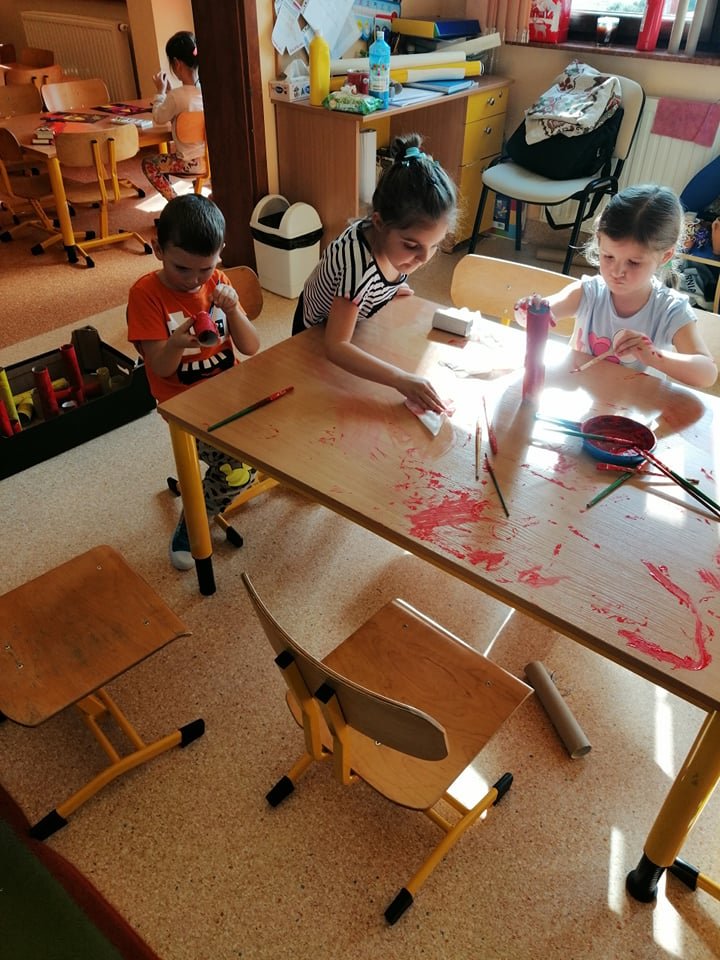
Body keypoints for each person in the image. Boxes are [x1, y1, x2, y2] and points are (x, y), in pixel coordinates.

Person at [127, 194, 260, 571]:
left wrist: (233, 310)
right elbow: (160, 368)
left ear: (220, 253)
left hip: (230, 394)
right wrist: (175, 343)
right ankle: (193, 524)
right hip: (184, 408)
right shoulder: (145, 295)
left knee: (283, 429)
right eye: (181, 268)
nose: (194, 280)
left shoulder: (218, 281)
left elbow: (251, 347)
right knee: (237, 471)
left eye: (205, 268)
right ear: (158, 250)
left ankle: (253, 471)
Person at [292, 133, 457, 413]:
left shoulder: (392, 244)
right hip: (313, 337)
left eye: (434, 246)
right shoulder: (357, 268)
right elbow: (336, 346)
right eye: (412, 246)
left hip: (351, 318)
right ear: (379, 223)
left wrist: (385, 289)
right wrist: (400, 379)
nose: (423, 259)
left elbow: (374, 279)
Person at [536, 184, 717, 389]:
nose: (617, 272)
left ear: (665, 256)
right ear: (599, 241)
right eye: (608, 256)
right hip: (583, 400)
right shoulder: (588, 292)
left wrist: (654, 356)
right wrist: (531, 311)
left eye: (633, 262)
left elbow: (707, 374)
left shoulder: (670, 310)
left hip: (637, 407)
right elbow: (541, 311)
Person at [142, 31, 205, 202]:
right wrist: (169, 93)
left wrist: (160, 92)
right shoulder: (205, 92)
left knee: (148, 163)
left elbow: (159, 117)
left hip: (187, 163)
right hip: (209, 160)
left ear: (177, 64)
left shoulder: (176, 97)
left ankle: (176, 202)